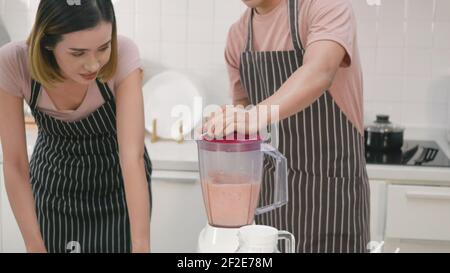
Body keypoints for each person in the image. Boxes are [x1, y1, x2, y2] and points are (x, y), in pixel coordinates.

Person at [203, 0, 370, 253]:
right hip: (272, 199)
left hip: (331, 194)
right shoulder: (238, 36)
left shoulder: (323, 6)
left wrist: (255, 115)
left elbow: (319, 70)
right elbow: (243, 111)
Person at [0, 0, 152, 253]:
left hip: (117, 193)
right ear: (47, 42)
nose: (93, 64)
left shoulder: (124, 53)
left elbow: (131, 158)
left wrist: (141, 246)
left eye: (103, 48)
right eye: (78, 53)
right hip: (53, 191)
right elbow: (14, 163)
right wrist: (33, 243)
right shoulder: (13, 62)